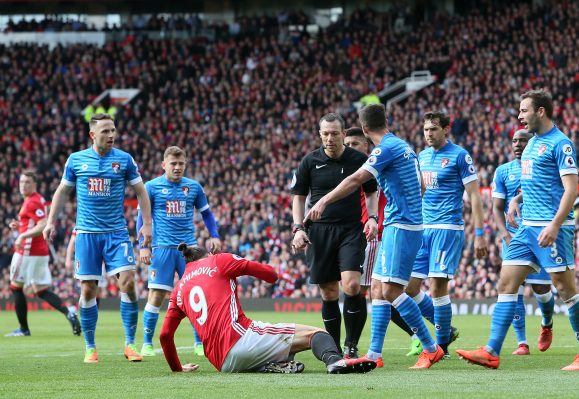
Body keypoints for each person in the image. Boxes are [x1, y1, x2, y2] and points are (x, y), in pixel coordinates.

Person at [457, 90, 579, 370]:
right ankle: (492, 350)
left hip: (552, 228)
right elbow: (537, 182)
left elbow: (570, 190)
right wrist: (516, 199)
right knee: (506, 284)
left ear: (541, 111)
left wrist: (555, 225)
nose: (519, 116)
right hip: (525, 229)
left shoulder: (561, 144)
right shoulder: (532, 144)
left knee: (565, 288)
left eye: (524, 111)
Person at [306, 104, 444, 369]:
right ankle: (373, 354)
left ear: (365, 129)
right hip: (401, 224)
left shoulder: (385, 150)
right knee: (378, 290)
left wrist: (323, 200)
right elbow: (422, 186)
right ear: (387, 121)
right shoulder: (403, 146)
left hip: (401, 227)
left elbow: (356, 179)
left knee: (391, 291)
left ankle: (430, 347)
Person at [159, 243, 376, 375]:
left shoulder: (178, 289)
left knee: (281, 346)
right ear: (206, 255)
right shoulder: (218, 261)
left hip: (221, 362)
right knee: (317, 334)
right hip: (241, 339)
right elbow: (271, 274)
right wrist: (230, 260)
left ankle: (273, 365)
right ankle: (335, 361)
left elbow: (165, 335)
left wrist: (177, 368)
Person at [43, 113, 153, 364]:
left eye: (113, 130)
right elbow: (62, 191)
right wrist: (51, 221)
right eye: (105, 131)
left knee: (128, 282)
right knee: (88, 289)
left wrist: (147, 225)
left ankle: (129, 344)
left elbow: (141, 192)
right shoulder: (76, 160)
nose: (111, 135)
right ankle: (90, 347)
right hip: (87, 234)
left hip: (116, 233)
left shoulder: (124, 160)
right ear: (93, 135)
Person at [290, 113, 379, 358]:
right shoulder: (309, 162)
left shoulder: (359, 159)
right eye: (325, 134)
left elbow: (371, 191)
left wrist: (372, 217)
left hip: (351, 229)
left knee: (352, 285)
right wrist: (298, 228)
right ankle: (335, 349)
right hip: (319, 232)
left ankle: (351, 344)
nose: (330, 138)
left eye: (334, 133)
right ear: (320, 135)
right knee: (328, 292)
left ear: (343, 134)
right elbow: (298, 197)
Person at [406, 111, 487, 358]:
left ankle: (441, 347)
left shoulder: (460, 156)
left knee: (438, 286)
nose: (428, 134)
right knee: (409, 287)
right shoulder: (422, 156)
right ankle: (445, 329)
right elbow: (419, 192)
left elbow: (474, 195)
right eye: (426, 129)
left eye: (433, 129)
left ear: (445, 130)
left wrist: (480, 233)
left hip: (447, 228)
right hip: (423, 228)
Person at [344, 127, 422, 360]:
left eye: (355, 145)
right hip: (358, 235)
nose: (350, 149)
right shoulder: (357, 168)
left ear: (366, 144)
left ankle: (354, 346)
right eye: (347, 145)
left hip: (377, 235)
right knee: (377, 292)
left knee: (372, 292)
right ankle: (376, 350)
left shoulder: (377, 165)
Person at [137, 146, 223, 357]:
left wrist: (214, 235)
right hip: (162, 249)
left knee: (195, 295)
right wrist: (143, 246)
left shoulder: (193, 187)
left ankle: (199, 342)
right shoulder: (151, 187)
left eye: (180, 164)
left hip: (189, 250)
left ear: (185, 164)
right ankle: (147, 343)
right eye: (173, 164)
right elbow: (142, 219)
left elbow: (207, 215)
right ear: (163, 165)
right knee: (156, 295)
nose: (177, 167)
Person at [492, 129, 555, 355]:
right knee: (514, 287)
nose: (518, 144)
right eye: (515, 141)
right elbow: (497, 208)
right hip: (513, 238)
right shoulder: (503, 171)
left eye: (523, 140)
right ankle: (522, 342)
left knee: (541, 288)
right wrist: (506, 236)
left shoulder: (541, 166)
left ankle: (547, 322)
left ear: (532, 143)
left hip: (539, 234)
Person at [5, 170, 81, 337]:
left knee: (15, 287)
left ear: (35, 184)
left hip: (27, 251)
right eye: (21, 182)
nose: (23, 185)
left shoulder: (32, 201)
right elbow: (35, 223)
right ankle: (69, 313)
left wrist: (23, 235)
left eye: (27, 182)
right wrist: (20, 227)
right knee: (41, 290)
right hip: (40, 252)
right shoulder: (36, 200)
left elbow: (43, 224)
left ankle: (24, 329)